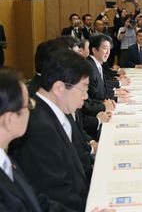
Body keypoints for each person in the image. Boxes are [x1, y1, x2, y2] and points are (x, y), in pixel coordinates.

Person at [9, 50, 92, 211]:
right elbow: (56, 192)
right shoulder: (39, 127)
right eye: (83, 88)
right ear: (59, 88)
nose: (86, 96)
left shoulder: (57, 110)